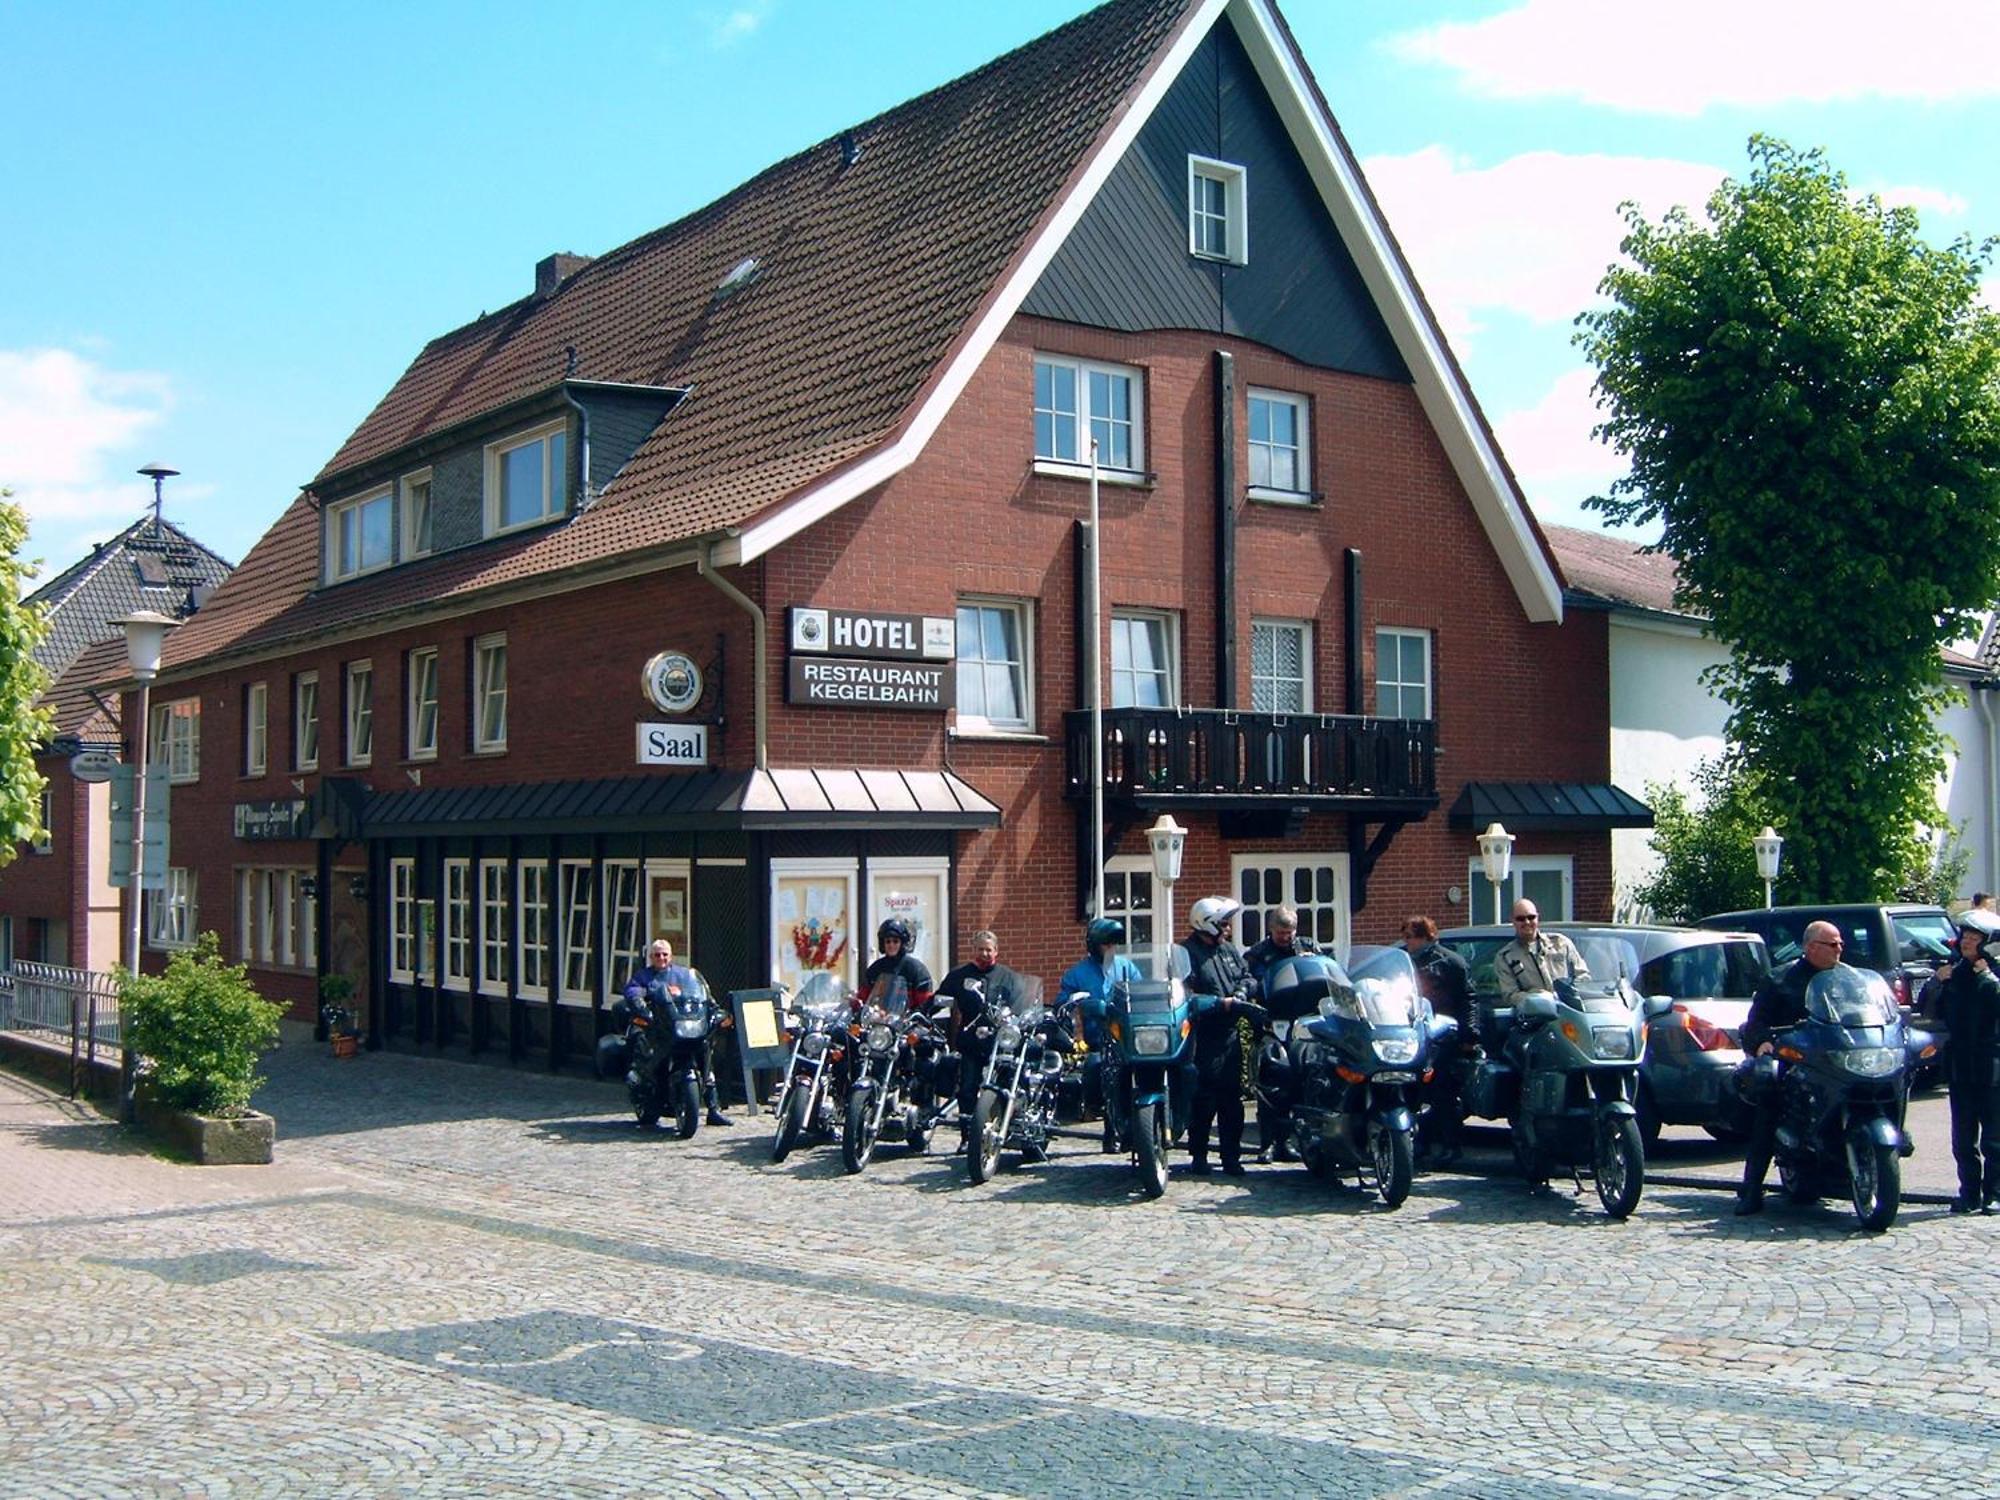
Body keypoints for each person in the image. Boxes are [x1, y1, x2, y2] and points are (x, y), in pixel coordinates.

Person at [1734, 918, 1846, 1214]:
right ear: (1811, 947)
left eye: (1840, 944)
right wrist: (1762, 1044)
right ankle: (1752, 1188)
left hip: (1834, 1061)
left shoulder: (1846, 979)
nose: (1839, 950)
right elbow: (1756, 1023)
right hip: (1795, 1061)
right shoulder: (1781, 979)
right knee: (1770, 1101)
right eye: (1832, 944)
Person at [1181, 896, 1256, 1176]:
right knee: (1204, 1098)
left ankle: (1231, 1158)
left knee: (1232, 1100)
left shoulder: (1229, 950)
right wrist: (1216, 1002)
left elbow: (1247, 976)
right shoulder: (1186, 953)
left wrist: (1242, 992)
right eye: (1223, 923)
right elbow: (1184, 993)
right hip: (1203, 1034)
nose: (1228, 928)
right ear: (1208, 924)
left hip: (1230, 1034)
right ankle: (1199, 1156)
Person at [622, 938, 732, 1126]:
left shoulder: (683, 975)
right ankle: (646, 1088)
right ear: (651, 957)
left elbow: (701, 995)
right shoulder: (644, 976)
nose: (661, 958)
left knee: (705, 1057)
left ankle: (714, 1109)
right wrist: (642, 1007)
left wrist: (713, 1010)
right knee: (642, 1046)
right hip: (659, 1026)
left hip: (684, 1025)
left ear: (671, 956)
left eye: (665, 954)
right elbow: (632, 991)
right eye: (657, 955)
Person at [1934, 913, 2000, 1214]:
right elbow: (1932, 1010)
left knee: (1994, 1138)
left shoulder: (1994, 976)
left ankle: (1994, 1193)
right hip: (1961, 1064)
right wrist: (1939, 983)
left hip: (1992, 1065)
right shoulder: (1954, 974)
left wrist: (1988, 978)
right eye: (1965, 938)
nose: (1968, 943)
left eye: (1975, 939)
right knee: (1962, 1138)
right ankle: (1969, 1192)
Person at [1403, 915, 1473, 1165]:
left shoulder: (1451, 962)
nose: (1406, 941)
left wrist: (1469, 1036)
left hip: (1444, 1035)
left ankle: (1450, 1145)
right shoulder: (1405, 962)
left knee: (1443, 1093)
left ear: (1424, 936)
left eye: (1410, 936)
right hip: (1413, 1035)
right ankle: (1420, 1143)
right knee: (1416, 1091)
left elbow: (1468, 1000)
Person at [935, 929, 1018, 1117]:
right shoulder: (959, 975)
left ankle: (1005, 1127)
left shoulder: (1008, 977)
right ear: (974, 950)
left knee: (1007, 1085)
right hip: (971, 1040)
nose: (984, 954)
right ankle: (966, 1136)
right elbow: (939, 998)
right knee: (967, 1089)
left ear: (996, 950)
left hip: (999, 1042)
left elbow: (1020, 1004)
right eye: (980, 949)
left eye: (988, 950)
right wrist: (922, 1014)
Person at [1493, 900, 1589, 1002]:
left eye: (1531, 917)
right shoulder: (1505, 957)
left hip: (1570, 1012)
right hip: (1535, 1015)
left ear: (1538, 917)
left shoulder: (1561, 943)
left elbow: (1583, 976)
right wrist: (1538, 998)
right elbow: (1510, 995)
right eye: (1520, 919)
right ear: (1513, 920)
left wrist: (1570, 993)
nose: (1527, 922)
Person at [1243, 906, 1318, 984]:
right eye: (1280, 933)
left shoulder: (1308, 946)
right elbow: (1254, 981)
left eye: (1289, 933)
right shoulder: (1257, 954)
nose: (1285, 938)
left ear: (1295, 930)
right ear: (1271, 929)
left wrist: (1311, 961)